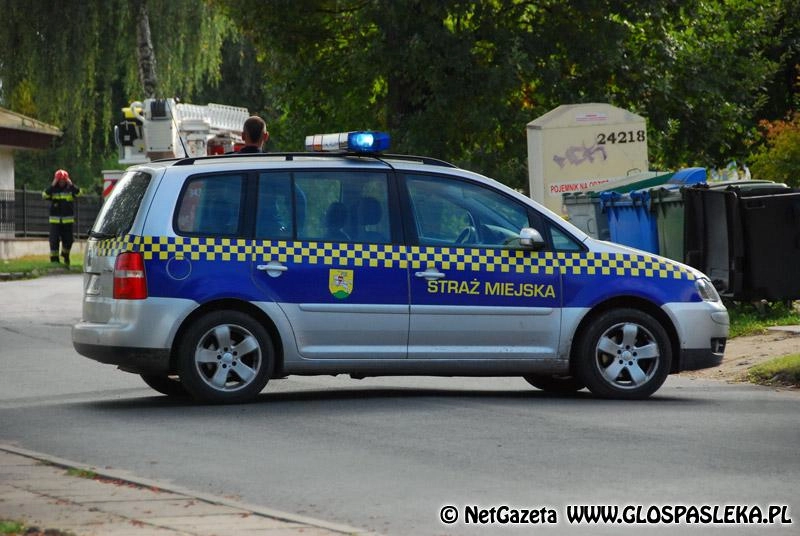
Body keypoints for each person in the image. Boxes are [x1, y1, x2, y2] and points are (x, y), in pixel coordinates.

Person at [42, 169, 80, 265]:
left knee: (69, 241)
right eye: (60, 180)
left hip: (68, 221)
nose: (62, 182)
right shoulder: (53, 190)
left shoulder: (70, 189)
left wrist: (71, 184)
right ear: (57, 180)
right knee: (54, 240)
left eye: (64, 180)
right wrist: (52, 185)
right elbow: (44, 195)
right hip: (55, 222)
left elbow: (79, 193)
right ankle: (54, 261)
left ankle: (65, 255)